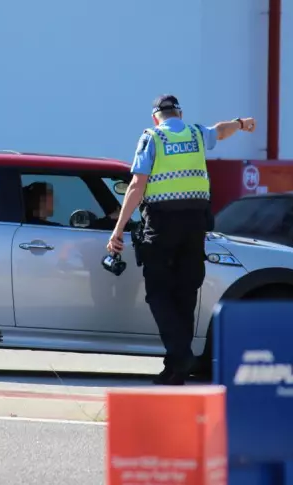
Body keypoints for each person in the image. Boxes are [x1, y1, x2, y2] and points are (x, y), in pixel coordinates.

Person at [106, 94, 256, 385]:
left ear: (155, 117)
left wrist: (118, 228)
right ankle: (175, 368)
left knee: (159, 294)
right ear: (180, 113)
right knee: (185, 295)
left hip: (162, 224)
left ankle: (179, 355)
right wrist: (240, 123)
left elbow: (137, 184)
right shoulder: (196, 133)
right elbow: (220, 131)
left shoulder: (152, 138)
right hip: (195, 226)